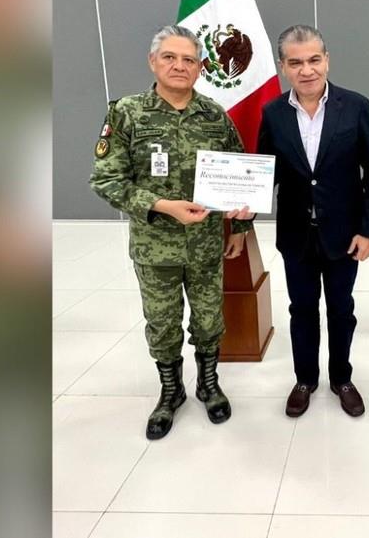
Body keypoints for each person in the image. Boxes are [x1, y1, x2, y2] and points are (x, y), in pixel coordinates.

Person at [89, 24, 254, 439]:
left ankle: (208, 384)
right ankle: (170, 390)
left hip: (204, 246)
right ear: (153, 62)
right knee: (162, 323)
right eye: (170, 57)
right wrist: (163, 207)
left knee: (209, 318)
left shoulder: (214, 115)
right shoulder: (126, 112)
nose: (179, 66)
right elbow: (106, 180)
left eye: (188, 60)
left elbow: (241, 171)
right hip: (154, 247)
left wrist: (239, 227)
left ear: (200, 68)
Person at [256, 25, 369, 418]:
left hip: (344, 235)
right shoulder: (274, 113)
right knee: (301, 309)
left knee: (341, 309)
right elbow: (268, 172)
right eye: (295, 62)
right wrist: (244, 200)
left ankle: (341, 378)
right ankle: (304, 379)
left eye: (314, 60)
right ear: (283, 67)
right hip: (296, 234)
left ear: (327, 60)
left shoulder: (356, 106)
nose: (307, 70)